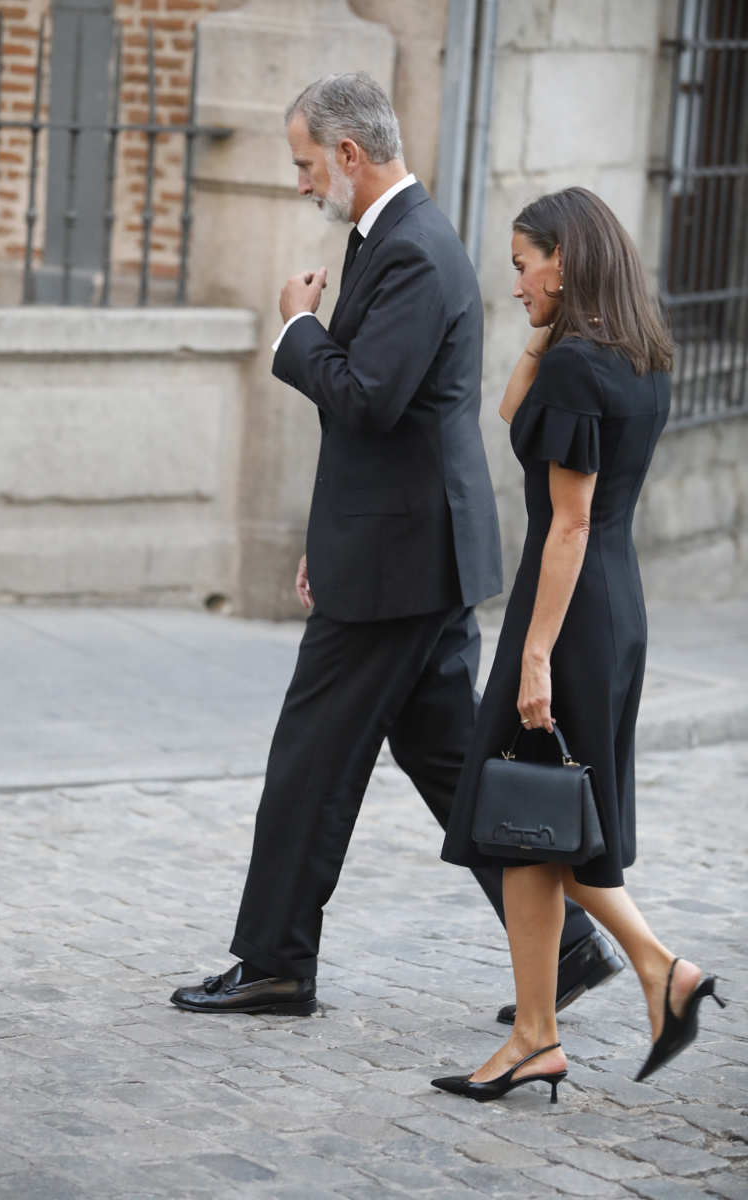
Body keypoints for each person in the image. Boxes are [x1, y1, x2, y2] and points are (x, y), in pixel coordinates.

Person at [170, 76, 621, 1019]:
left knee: (310, 761)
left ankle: (276, 963)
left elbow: (367, 396)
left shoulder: (415, 250)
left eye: (302, 162)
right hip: (400, 551)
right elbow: (383, 424)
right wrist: (319, 536)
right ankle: (571, 946)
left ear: (347, 154)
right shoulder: (389, 238)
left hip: (401, 567)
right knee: (453, 761)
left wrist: (294, 328)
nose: (298, 183)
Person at [433, 186, 726, 1104]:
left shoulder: (578, 372)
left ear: (567, 258)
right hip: (611, 604)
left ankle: (655, 970)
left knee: (544, 817)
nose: (515, 284)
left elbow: (566, 523)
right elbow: (510, 416)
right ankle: (537, 1036)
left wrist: (531, 656)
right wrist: (543, 328)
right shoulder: (636, 357)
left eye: (526, 266)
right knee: (529, 831)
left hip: (567, 614)